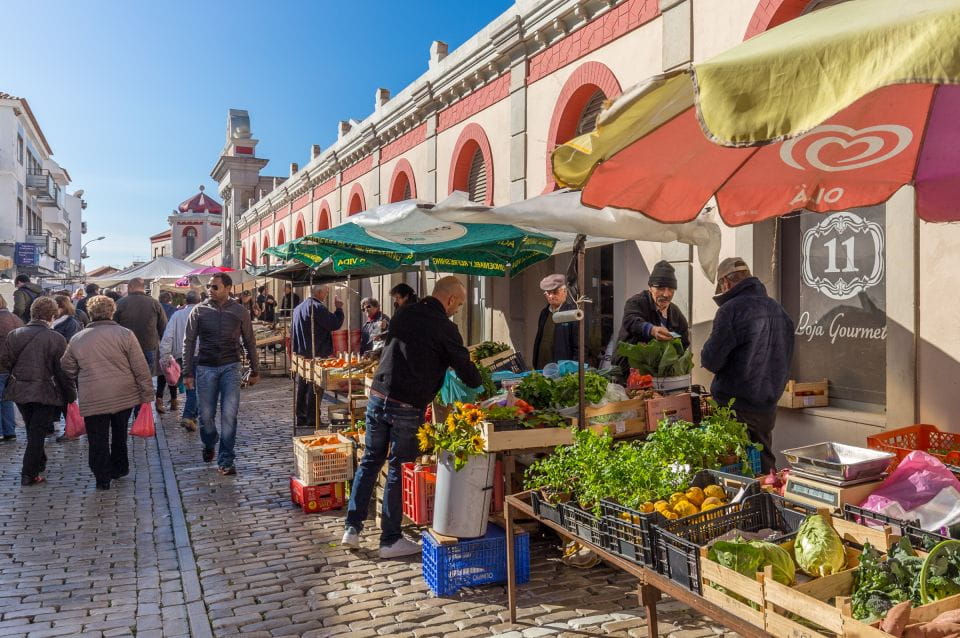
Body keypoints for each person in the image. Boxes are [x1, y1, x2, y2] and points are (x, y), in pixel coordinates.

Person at [343, 276, 482, 558]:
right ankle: (390, 540)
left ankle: (352, 528)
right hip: (407, 405)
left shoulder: (404, 313)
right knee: (398, 467)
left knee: (370, 461)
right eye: (459, 305)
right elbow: (465, 369)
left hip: (378, 396)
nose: (457, 310)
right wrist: (480, 383)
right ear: (450, 299)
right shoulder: (445, 328)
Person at [701, 257, 795, 473]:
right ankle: (768, 493)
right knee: (763, 462)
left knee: (731, 466)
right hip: (766, 407)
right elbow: (786, 357)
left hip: (734, 405)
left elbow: (711, 360)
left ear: (725, 283)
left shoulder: (730, 310)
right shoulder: (779, 310)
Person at [60, 295, 154, 490]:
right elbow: (140, 366)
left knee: (97, 438)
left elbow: (67, 366)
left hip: (93, 395)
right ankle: (119, 468)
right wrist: (147, 394)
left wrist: (80, 374)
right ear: (112, 312)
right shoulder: (125, 334)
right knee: (119, 433)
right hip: (123, 394)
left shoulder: (78, 339)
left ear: (90, 313)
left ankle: (102, 477)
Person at [182, 272, 260, 475]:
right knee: (206, 416)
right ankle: (209, 442)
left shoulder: (240, 311)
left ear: (227, 288)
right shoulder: (199, 310)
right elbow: (189, 342)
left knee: (229, 415)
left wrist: (255, 369)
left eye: (215, 286)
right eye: (209, 286)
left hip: (230, 367)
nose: (210, 290)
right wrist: (187, 372)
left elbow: (249, 340)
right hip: (205, 367)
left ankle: (226, 460)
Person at [0, 297, 76, 486]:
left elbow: (5, 361)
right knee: (37, 432)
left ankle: (39, 461)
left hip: (21, 389)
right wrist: (70, 395)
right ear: (52, 316)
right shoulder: (56, 338)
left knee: (32, 427)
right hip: (45, 389)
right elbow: (62, 371)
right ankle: (29, 473)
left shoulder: (15, 334)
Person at [612, 260, 691, 380]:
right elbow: (631, 320)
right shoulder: (636, 302)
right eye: (660, 288)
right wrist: (652, 330)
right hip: (628, 372)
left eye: (671, 289)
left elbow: (683, 343)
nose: (666, 294)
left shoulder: (676, 314)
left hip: (658, 377)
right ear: (650, 287)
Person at [291, 285, 344, 428]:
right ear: (319, 292)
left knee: (303, 387)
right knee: (315, 388)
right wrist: (339, 309)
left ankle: (302, 417)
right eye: (326, 292)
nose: (326, 295)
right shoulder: (317, 307)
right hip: (315, 354)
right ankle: (312, 418)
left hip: (303, 354)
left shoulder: (298, 308)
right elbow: (334, 324)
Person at [114, 277, 168, 413]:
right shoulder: (154, 303)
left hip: (125, 349)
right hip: (148, 347)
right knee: (144, 381)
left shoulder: (120, 303)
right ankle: (139, 413)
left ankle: (126, 411)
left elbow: (112, 327)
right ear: (143, 288)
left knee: (127, 380)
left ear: (130, 288)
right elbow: (163, 328)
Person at [160, 290, 201, 432]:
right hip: (199, 354)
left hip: (181, 355)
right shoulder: (203, 313)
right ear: (199, 301)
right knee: (196, 387)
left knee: (191, 386)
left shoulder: (177, 315)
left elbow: (168, 336)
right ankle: (188, 416)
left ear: (186, 301)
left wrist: (165, 355)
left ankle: (193, 417)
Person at [531, 274, 580, 370]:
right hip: (541, 368)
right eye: (548, 293)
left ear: (565, 292)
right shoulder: (544, 313)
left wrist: (573, 370)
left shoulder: (573, 313)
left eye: (555, 292)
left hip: (562, 370)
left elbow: (579, 348)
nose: (551, 296)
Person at [0, 296, 23, 443]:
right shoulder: (15, 318)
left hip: (1, 365)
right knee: (6, 399)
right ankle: (9, 431)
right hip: (14, 365)